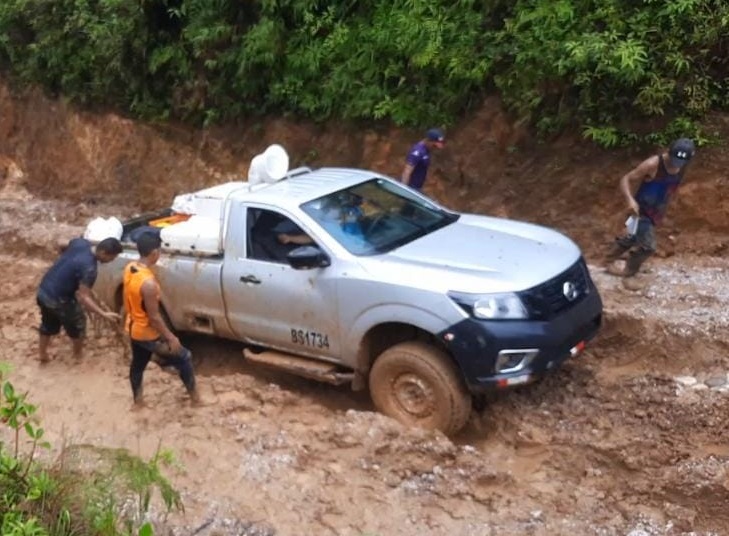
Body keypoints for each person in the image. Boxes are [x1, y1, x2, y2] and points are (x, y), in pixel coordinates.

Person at [123, 232, 200, 407]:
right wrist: (171, 338)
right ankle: (196, 399)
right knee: (184, 357)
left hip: (133, 327)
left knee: (138, 364)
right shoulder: (148, 284)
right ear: (154, 253)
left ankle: (138, 403)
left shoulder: (131, 268)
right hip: (146, 332)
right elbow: (155, 317)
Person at [605, 137, 696, 277]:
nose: (677, 164)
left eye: (682, 162)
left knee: (632, 236)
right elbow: (626, 179)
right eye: (675, 159)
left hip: (656, 210)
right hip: (639, 210)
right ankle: (629, 272)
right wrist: (629, 200)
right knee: (648, 247)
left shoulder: (683, 166)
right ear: (669, 152)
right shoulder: (653, 164)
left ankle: (608, 260)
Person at [37, 236, 122, 363]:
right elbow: (84, 297)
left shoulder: (81, 243)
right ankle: (78, 355)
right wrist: (103, 313)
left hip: (43, 291)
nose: (111, 261)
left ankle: (42, 354)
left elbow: (61, 241)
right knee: (78, 324)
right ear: (103, 253)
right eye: (112, 257)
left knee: (48, 323)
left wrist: (64, 262)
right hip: (60, 299)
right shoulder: (90, 269)